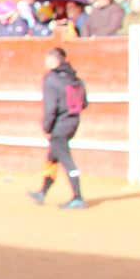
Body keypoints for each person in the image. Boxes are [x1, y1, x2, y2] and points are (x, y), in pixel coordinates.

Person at [28, 47, 88, 210]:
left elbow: (50, 107)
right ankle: (42, 192)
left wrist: (47, 127)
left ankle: (78, 197)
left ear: (53, 61)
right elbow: (84, 102)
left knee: (66, 161)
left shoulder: (51, 79)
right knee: (52, 157)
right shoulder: (74, 78)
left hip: (59, 126)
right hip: (73, 122)